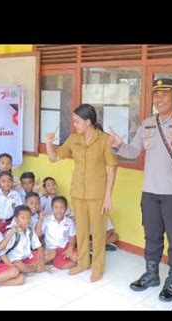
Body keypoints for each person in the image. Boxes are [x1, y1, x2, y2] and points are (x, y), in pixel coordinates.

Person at [109, 78, 172, 301]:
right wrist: (119, 145)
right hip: (150, 191)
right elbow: (132, 152)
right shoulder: (148, 123)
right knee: (151, 235)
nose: (159, 99)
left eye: (164, 94)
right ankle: (152, 274)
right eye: (156, 95)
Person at [46, 103, 118, 282]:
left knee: (99, 232)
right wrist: (49, 143)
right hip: (78, 191)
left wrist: (108, 196)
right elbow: (54, 157)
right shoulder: (73, 139)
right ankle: (84, 262)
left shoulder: (104, 140)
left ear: (88, 122)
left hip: (98, 194)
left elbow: (112, 168)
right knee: (82, 230)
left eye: (77, 121)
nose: (75, 125)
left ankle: (98, 267)